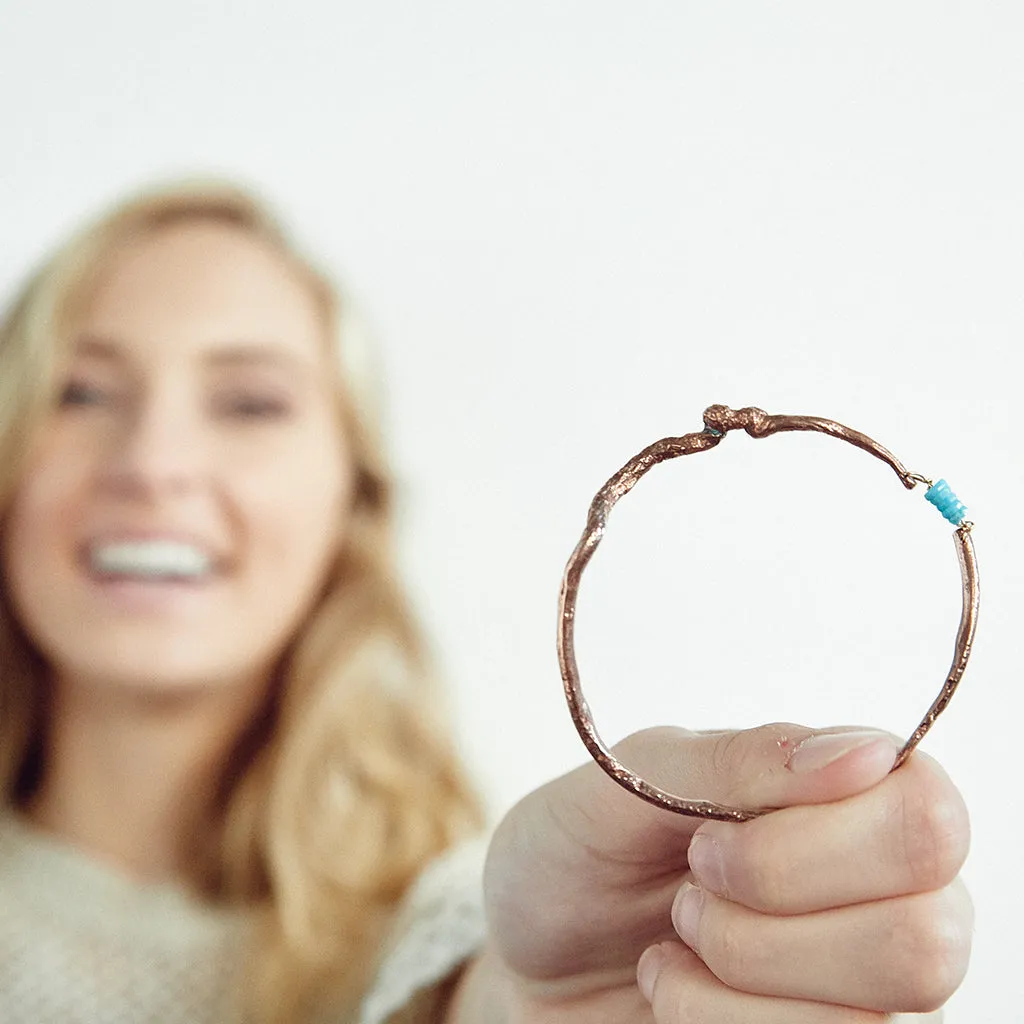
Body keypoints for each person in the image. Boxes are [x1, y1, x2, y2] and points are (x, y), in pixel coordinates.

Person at [0, 179, 971, 1023]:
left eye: (250, 402)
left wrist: (524, 998)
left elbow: (499, 981)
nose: (153, 465)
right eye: (79, 393)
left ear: (355, 498)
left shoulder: (467, 934)